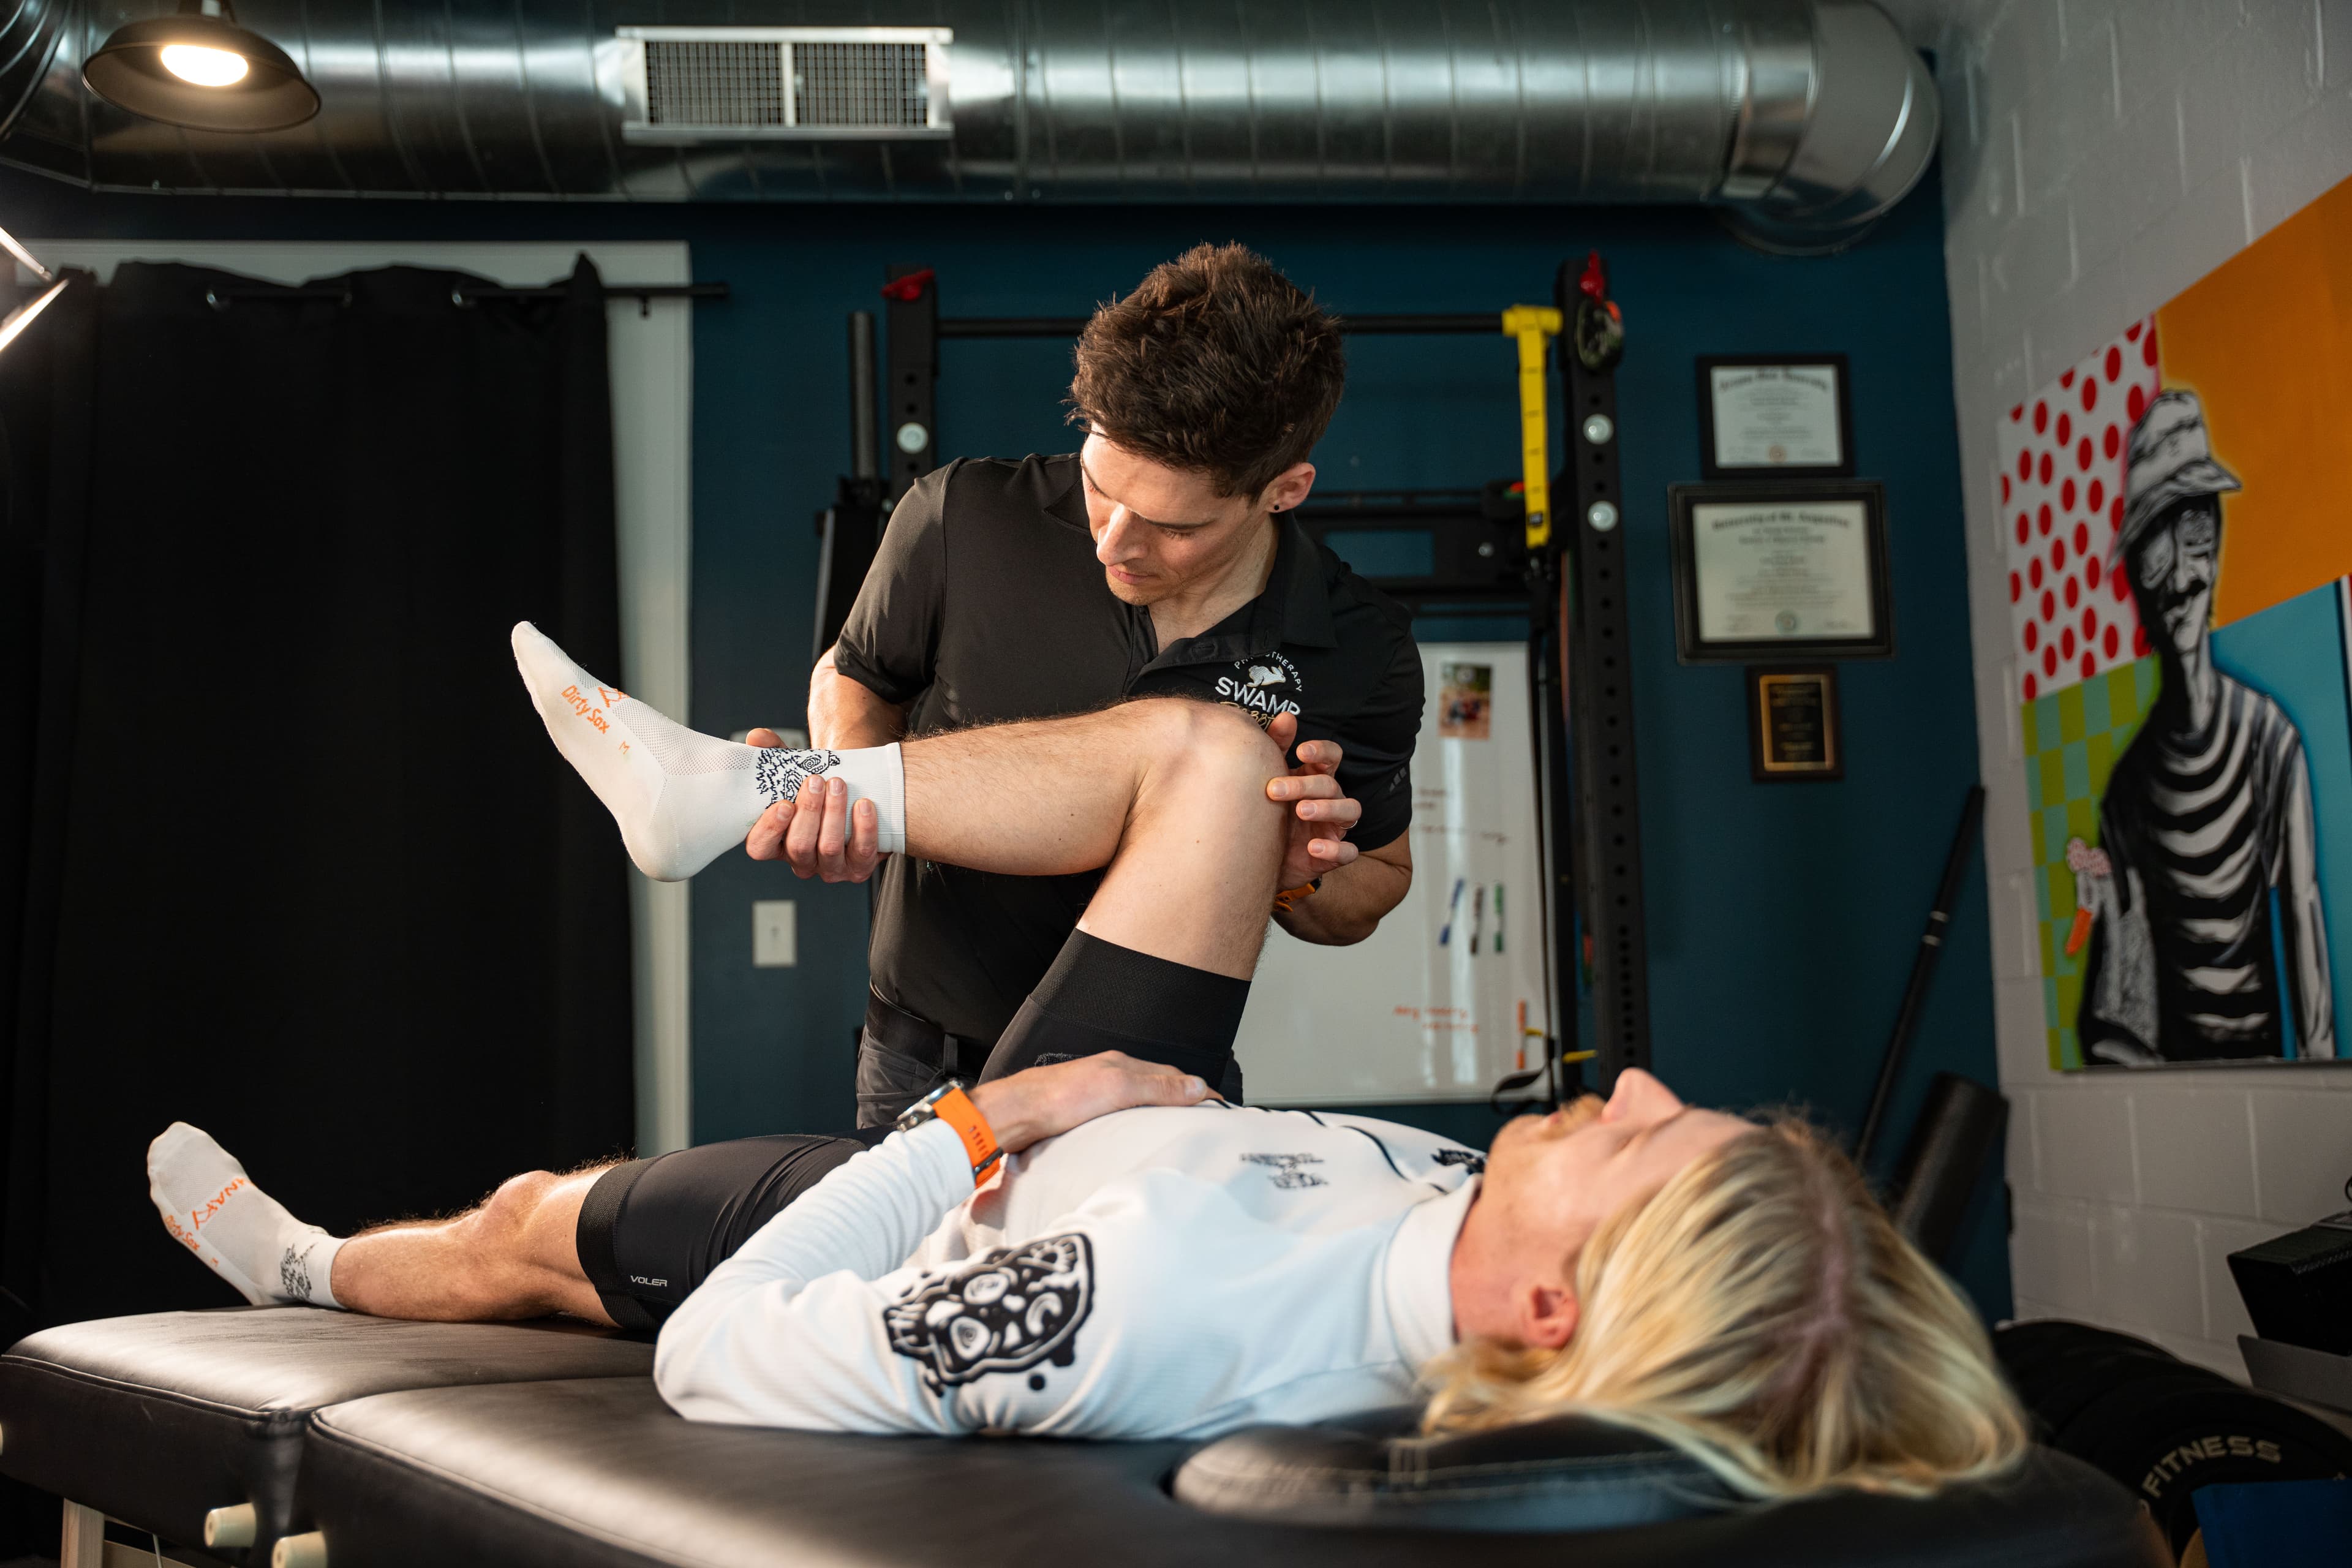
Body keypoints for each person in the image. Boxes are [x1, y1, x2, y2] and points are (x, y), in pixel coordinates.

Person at [146, 630, 2026, 1501]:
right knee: (1209, 758)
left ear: (1550, 1303)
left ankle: (300, 1263)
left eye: (1641, 1141)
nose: (1623, 1087)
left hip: (962, 1189)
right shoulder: (1472, 1238)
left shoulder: (1126, 1306)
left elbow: (725, 1351)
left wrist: (1000, 1109)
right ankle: (742, 791)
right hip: (1119, 1122)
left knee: (524, 1239)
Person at [756, 243, 1425, 1124]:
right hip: (922, 1057)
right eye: (1100, 490)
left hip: (1156, 1092)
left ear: (1283, 490)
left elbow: (1376, 882)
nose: (1113, 544)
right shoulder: (961, 516)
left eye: (1170, 527)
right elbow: (854, 674)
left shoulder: (1363, 647)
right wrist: (847, 789)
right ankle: (746, 785)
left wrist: (1295, 877)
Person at [2071, 390, 2335, 1063]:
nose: (2183, 577)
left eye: (2198, 537)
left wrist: (2319, 1073)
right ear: (2136, 576)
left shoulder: (2271, 743)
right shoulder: (2130, 789)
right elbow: (2120, 997)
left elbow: (2303, 919)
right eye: (2158, 553)